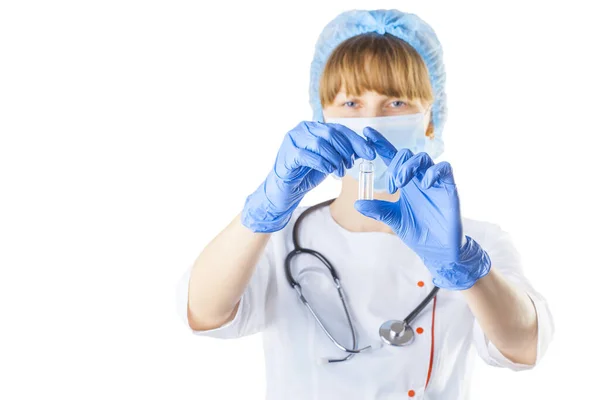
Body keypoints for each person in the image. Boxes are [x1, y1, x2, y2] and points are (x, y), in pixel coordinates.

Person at [176, 9, 554, 399]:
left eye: (395, 103)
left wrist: (464, 268)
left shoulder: (476, 242)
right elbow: (203, 314)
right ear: (322, 115)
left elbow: (524, 347)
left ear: (430, 119)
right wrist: (262, 212)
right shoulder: (276, 239)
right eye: (352, 103)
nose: (371, 121)